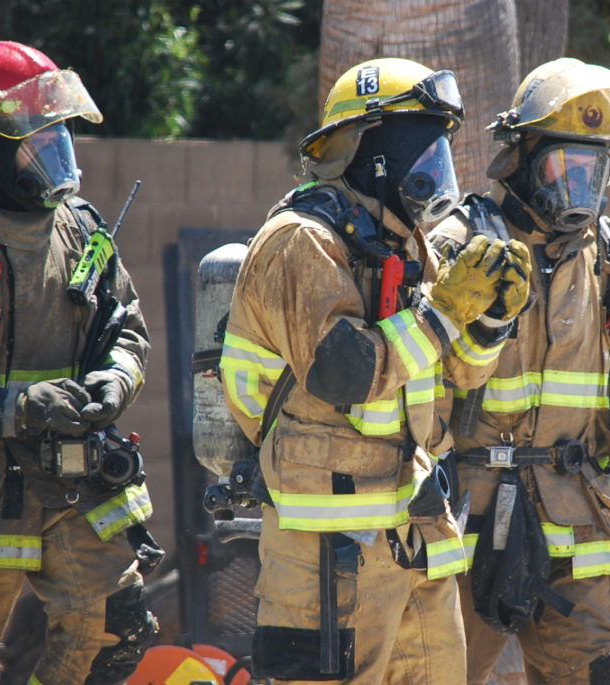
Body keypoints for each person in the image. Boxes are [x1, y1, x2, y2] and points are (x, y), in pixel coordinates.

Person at [219, 57, 531, 683]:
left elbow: (458, 373)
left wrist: (491, 321)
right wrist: (446, 313)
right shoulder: (300, 240)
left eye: (440, 153)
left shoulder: (405, 244)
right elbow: (346, 375)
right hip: (327, 551)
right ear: (372, 152)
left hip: (414, 533)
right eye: (423, 150)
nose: (435, 171)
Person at [427, 57, 610, 684]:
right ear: (522, 159)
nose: (578, 189)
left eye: (594, 170)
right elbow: (419, 387)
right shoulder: (460, 247)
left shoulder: (607, 258)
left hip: (576, 520)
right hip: (468, 524)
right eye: (566, 167)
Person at [0, 41, 158, 684]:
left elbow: (127, 329)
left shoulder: (82, 230)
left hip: (73, 486)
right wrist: (16, 408)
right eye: (36, 141)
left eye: (58, 136)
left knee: (115, 636)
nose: (54, 154)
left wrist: (115, 380)